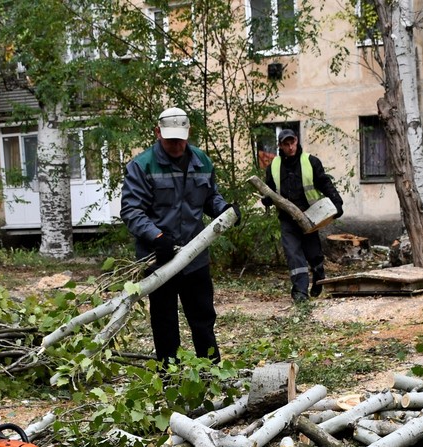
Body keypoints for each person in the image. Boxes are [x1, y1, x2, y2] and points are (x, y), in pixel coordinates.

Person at [120, 107, 238, 362]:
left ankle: (210, 373)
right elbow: (131, 210)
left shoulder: (202, 162)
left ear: (188, 134)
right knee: (165, 323)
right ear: (157, 133)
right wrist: (156, 237)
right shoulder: (141, 166)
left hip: (195, 256)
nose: (175, 145)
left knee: (203, 319)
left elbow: (210, 197)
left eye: (180, 139)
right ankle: (169, 378)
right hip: (159, 258)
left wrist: (224, 210)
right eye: (170, 139)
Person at [263, 128, 344, 302]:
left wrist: (337, 203)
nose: (290, 147)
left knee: (313, 252)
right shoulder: (274, 166)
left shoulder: (311, 162)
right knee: (293, 253)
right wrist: (267, 200)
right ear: (280, 146)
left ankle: (318, 275)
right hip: (287, 218)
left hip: (310, 216)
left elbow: (325, 183)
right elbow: (268, 189)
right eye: (286, 144)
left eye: (292, 143)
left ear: (297, 141)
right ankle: (300, 291)